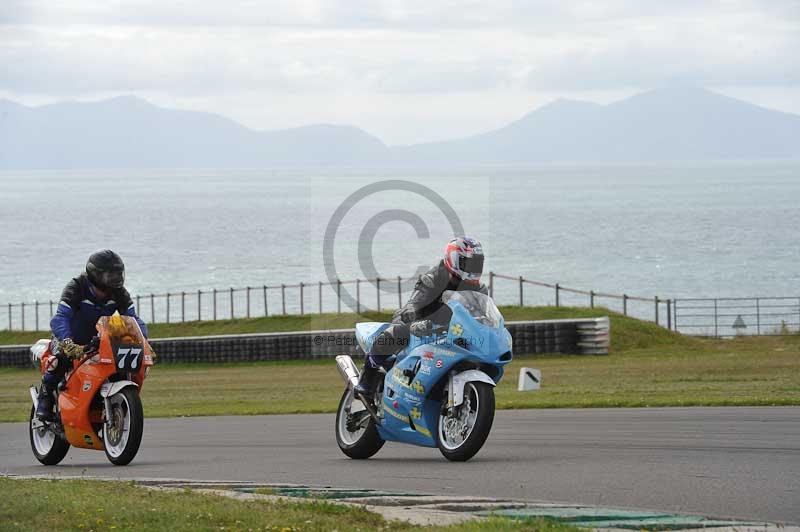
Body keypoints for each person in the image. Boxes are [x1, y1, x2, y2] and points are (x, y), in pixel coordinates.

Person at [354, 236, 487, 398]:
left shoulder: (479, 289)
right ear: (453, 260)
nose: (474, 268)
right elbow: (414, 304)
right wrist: (414, 316)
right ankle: (367, 379)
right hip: (420, 324)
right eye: (469, 263)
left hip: (451, 330)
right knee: (395, 332)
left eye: (477, 263)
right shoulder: (433, 278)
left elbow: (482, 315)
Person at [35, 250, 148, 420]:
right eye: (111, 275)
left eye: (118, 274)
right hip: (69, 338)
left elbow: (133, 320)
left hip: (100, 340)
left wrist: (143, 340)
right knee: (59, 359)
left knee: (121, 366)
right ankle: (45, 395)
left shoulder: (119, 293)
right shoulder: (76, 287)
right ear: (96, 274)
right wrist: (67, 342)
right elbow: (60, 318)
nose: (116, 279)